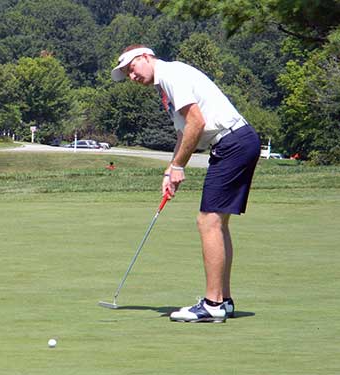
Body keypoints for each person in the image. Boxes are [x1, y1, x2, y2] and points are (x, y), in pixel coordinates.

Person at [111, 45, 261, 323]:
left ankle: (212, 304)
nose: (131, 77)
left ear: (145, 57)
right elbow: (184, 132)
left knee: (208, 222)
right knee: (217, 223)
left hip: (232, 143)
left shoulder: (171, 74)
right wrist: (171, 169)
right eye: (126, 74)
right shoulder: (165, 87)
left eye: (131, 69)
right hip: (235, 143)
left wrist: (180, 166)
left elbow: (197, 123)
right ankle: (223, 300)